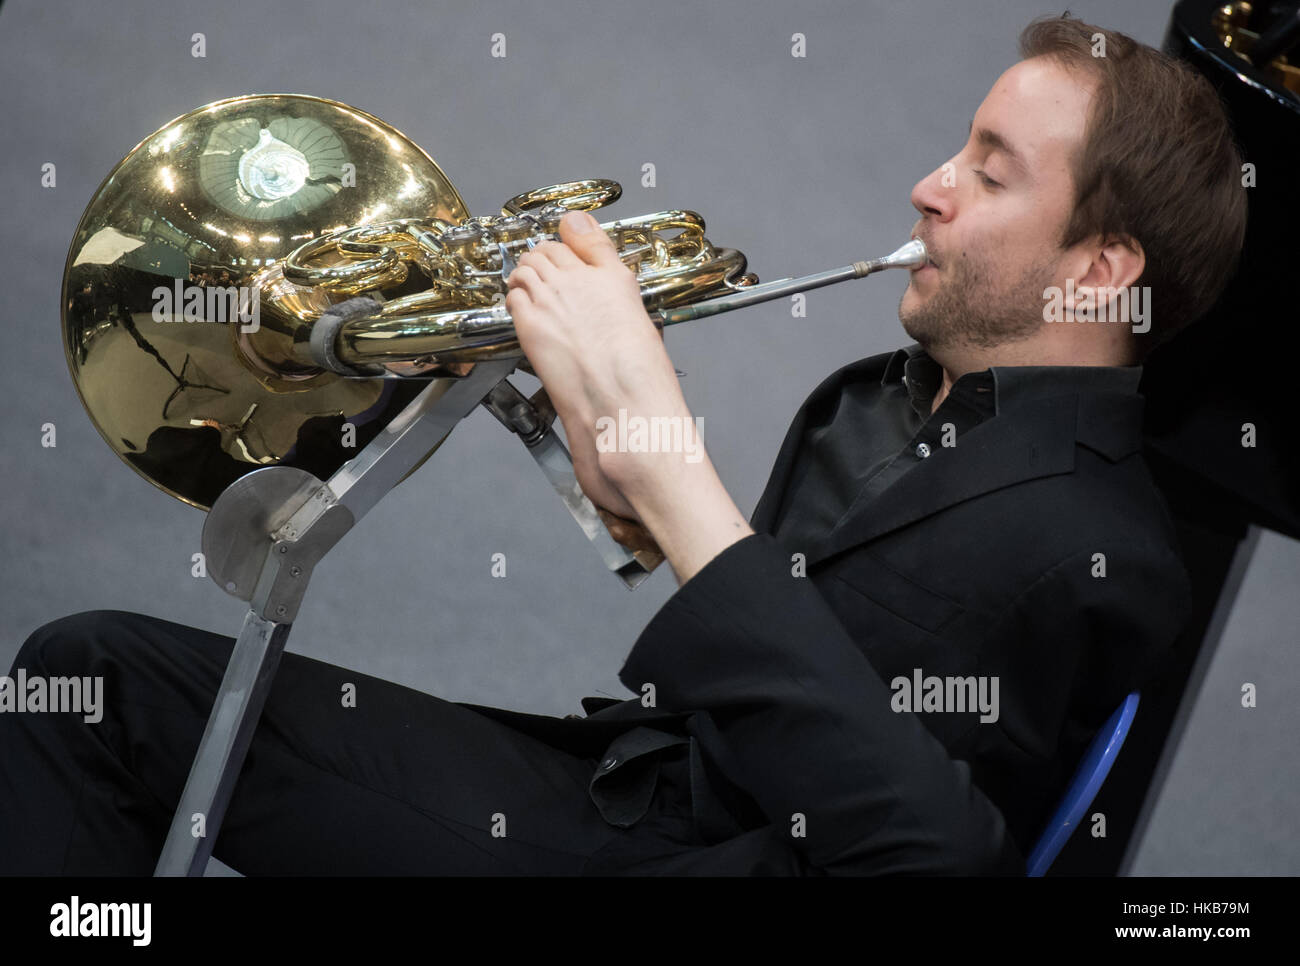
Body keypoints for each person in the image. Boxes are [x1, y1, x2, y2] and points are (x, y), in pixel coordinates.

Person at [0, 13, 1246, 875]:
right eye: (955, 148)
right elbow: (790, 627)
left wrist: (666, 465)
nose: (929, 185)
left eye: (990, 173)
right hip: (613, 783)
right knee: (102, 671)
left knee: (96, 697)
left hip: (677, 861)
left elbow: (931, 855)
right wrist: (615, 480)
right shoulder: (878, 395)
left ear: (1099, 268)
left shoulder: (1098, 547)